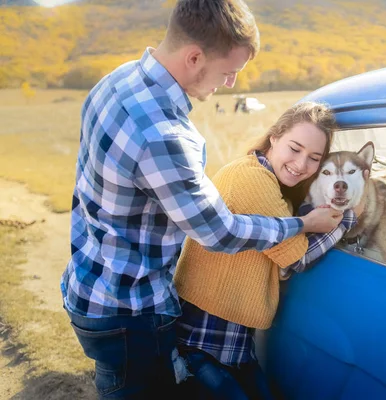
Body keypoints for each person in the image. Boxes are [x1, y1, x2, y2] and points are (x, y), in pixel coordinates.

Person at [60, 1, 342, 398]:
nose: (229, 84)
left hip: (88, 286)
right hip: (132, 310)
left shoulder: (116, 82)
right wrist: (302, 224)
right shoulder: (166, 135)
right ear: (194, 57)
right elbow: (219, 232)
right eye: (228, 72)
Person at [174, 102, 364, 399]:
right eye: (295, 148)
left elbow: (282, 263)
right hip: (202, 337)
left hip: (235, 341)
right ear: (274, 137)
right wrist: (346, 217)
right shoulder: (251, 178)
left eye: (315, 158)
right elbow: (296, 257)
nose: (302, 165)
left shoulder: (276, 188)